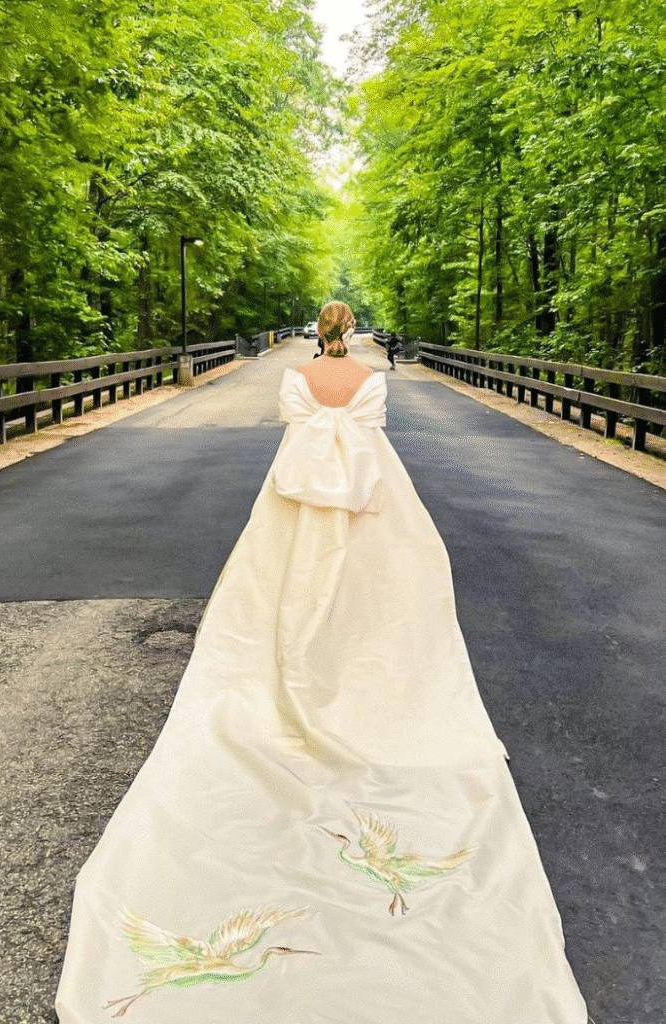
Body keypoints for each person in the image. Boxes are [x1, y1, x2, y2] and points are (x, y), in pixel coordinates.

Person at [55, 301, 588, 1024]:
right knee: (387, 596)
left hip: (295, 496)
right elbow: (367, 432)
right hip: (374, 495)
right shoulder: (369, 378)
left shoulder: (299, 377)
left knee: (281, 591)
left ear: (316, 329)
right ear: (351, 332)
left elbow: (299, 430)